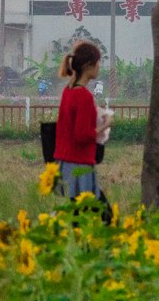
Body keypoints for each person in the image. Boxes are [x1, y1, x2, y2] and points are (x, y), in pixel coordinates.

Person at [54, 41, 112, 201]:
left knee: (76, 213)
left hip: (65, 161)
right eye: (98, 62)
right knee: (97, 215)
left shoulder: (69, 90)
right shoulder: (84, 96)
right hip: (80, 164)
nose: (99, 66)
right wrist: (105, 125)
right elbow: (82, 135)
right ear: (88, 65)